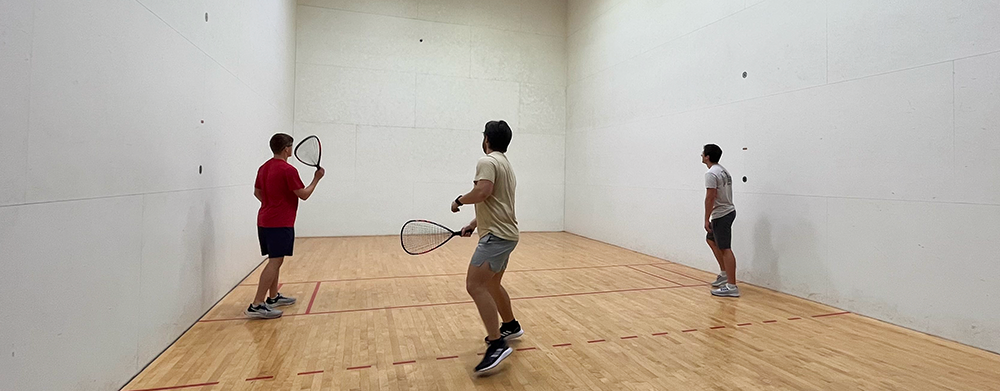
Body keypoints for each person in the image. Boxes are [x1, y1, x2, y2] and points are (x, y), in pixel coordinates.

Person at [451, 120, 523, 372]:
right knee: (491, 283)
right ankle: (511, 325)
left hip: (496, 237)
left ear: (486, 139)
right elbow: (494, 201)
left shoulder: (487, 162)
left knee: (475, 285)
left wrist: (458, 201)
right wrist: (474, 223)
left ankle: (497, 344)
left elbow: (482, 192)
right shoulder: (506, 165)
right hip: (507, 234)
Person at [245, 133, 325, 319]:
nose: (291, 149)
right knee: (275, 261)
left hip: (264, 220)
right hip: (279, 223)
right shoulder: (288, 170)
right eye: (290, 146)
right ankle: (257, 304)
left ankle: (272, 298)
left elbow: (257, 192)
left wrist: (272, 204)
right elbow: (303, 194)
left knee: (276, 258)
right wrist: (317, 179)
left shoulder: (263, 168)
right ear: (286, 149)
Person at [702, 144, 739, 298]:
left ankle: (732, 286)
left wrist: (706, 219)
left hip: (722, 214)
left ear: (708, 156)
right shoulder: (723, 171)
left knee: (725, 248)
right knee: (711, 239)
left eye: (703, 153)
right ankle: (724, 273)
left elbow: (710, 197)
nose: (701, 155)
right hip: (727, 211)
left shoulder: (711, 174)